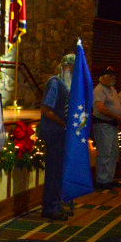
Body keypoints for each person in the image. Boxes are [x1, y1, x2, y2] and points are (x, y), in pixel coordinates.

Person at [38, 53, 75, 220]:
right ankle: (50, 207)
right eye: (72, 69)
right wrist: (62, 123)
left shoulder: (66, 85)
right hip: (54, 134)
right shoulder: (55, 83)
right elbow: (46, 109)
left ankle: (57, 204)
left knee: (59, 171)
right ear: (66, 67)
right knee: (53, 172)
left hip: (61, 134)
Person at [92, 66, 121, 190]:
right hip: (103, 125)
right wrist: (116, 116)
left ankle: (109, 179)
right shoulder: (99, 90)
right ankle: (102, 180)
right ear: (102, 77)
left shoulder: (112, 89)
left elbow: (113, 104)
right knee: (105, 153)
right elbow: (100, 108)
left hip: (112, 126)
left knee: (113, 153)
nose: (113, 77)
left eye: (113, 75)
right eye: (110, 75)